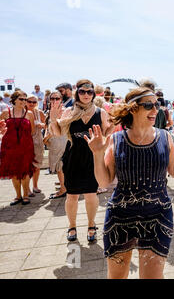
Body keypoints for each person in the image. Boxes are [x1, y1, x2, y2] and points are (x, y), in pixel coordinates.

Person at [85, 87, 174, 279]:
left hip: (158, 216)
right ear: (133, 109)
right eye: (149, 106)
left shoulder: (165, 137)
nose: (155, 110)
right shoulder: (116, 139)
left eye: (157, 105)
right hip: (120, 217)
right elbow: (104, 181)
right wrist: (97, 154)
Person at [49, 79, 113, 242]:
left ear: (93, 94)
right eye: (82, 92)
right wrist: (53, 117)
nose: (86, 95)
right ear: (77, 93)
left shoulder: (101, 112)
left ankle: (91, 225)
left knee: (91, 194)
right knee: (72, 195)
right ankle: (72, 226)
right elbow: (58, 133)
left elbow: (107, 133)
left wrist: (115, 122)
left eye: (89, 92)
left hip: (93, 159)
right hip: (73, 157)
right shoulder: (69, 111)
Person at [0, 90, 36, 206]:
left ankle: (25, 195)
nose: (24, 101)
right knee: (14, 172)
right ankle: (18, 196)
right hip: (9, 147)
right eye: (21, 99)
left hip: (25, 147)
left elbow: (33, 131)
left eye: (25, 99)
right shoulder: (6, 113)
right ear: (14, 100)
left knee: (25, 171)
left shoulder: (29, 114)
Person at [44, 91, 68, 199]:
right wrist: (46, 138)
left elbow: (62, 130)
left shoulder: (65, 111)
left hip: (62, 141)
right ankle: (64, 186)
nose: (54, 101)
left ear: (61, 100)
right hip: (53, 142)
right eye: (52, 98)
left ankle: (63, 189)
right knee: (59, 167)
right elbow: (48, 127)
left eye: (57, 98)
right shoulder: (48, 112)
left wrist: (48, 136)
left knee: (61, 167)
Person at [26, 95, 46, 196]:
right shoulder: (23, 113)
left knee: (37, 166)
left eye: (34, 102)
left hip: (38, 141)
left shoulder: (39, 112)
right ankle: (27, 189)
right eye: (29, 101)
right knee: (28, 166)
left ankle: (35, 186)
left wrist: (42, 125)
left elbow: (47, 124)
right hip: (26, 142)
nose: (31, 104)